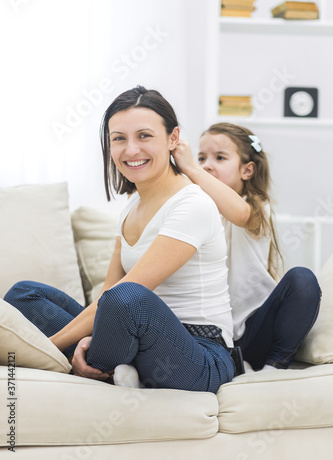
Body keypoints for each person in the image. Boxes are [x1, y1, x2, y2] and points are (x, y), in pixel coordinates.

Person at [4, 87, 237, 393]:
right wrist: (95, 331)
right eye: (119, 138)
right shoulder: (130, 208)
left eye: (144, 136)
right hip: (136, 337)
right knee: (25, 294)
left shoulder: (192, 204)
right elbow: (105, 296)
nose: (130, 150)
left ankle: (86, 362)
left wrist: (39, 348)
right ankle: (106, 363)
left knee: (127, 298)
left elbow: (128, 294)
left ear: (172, 138)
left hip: (199, 355)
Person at [172, 122, 321, 371]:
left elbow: (239, 214)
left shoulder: (257, 208)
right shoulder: (196, 208)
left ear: (247, 170)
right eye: (201, 157)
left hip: (253, 328)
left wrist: (190, 167)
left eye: (219, 158)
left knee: (302, 280)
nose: (207, 164)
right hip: (210, 331)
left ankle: (273, 367)